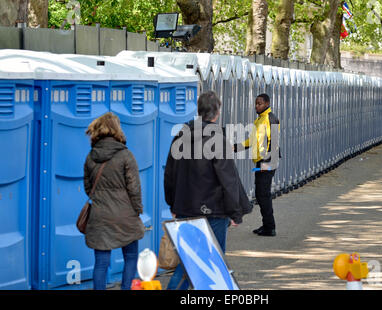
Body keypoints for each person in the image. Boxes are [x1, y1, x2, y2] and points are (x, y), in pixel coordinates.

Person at [164, 91, 251, 290]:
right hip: (214, 209)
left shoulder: (181, 134)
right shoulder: (217, 138)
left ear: (199, 110)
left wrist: (172, 202)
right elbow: (228, 179)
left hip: (185, 207)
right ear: (217, 112)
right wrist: (235, 212)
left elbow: (170, 172)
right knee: (214, 261)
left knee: (189, 259)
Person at [83, 112, 145, 290]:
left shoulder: (90, 156)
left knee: (101, 263)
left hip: (100, 215)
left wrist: (102, 199)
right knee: (131, 257)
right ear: (117, 129)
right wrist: (137, 210)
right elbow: (134, 188)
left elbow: (88, 188)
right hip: (125, 215)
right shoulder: (126, 155)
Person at [235, 93, 281, 237]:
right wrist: (236, 147)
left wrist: (266, 163)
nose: (256, 106)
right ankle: (267, 225)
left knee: (263, 194)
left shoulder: (269, 119)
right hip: (262, 162)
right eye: (256, 103)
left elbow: (271, 142)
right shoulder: (260, 119)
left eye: (259, 103)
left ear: (267, 104)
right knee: (261, 194)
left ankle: (270, 227)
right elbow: (252, 140)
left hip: (267, 162)